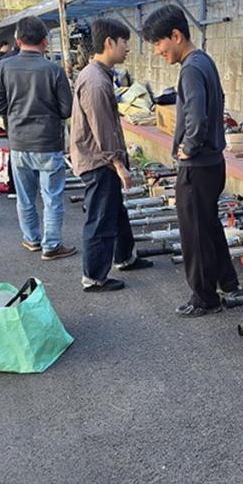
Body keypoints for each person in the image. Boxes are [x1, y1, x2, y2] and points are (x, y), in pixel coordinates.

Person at [142, 4, 242, 317]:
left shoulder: (190, 69)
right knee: (208, 225)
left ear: (176, 35)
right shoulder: (203, 61)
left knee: (194, 234)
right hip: (213, 163)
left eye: (159, 43)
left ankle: (204, 298)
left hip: (197, 166)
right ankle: (228, 282)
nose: (158, 51)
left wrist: (189, 146)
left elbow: (196, 117)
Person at [70, 17, 151, 292]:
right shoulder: (96, 82)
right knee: (101, 218)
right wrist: (119, 164)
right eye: (124, 42)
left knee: (115, 211)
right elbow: (102, 129)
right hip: (98, 161)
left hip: (98, 158)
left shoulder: (98, 74)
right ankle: (93, 277)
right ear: (109, 43)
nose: (127, 48)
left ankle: (125, 257)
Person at [0, 15, 76, 260]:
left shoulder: (3, 67)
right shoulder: (54, 70)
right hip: (48, 142)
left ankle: (31, 238)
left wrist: (16, 114)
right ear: (45, 41)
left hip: (19, 142)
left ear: (18, 40)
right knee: (52, 198)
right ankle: (52, 245)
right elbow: (66, 110)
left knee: (25, 197)